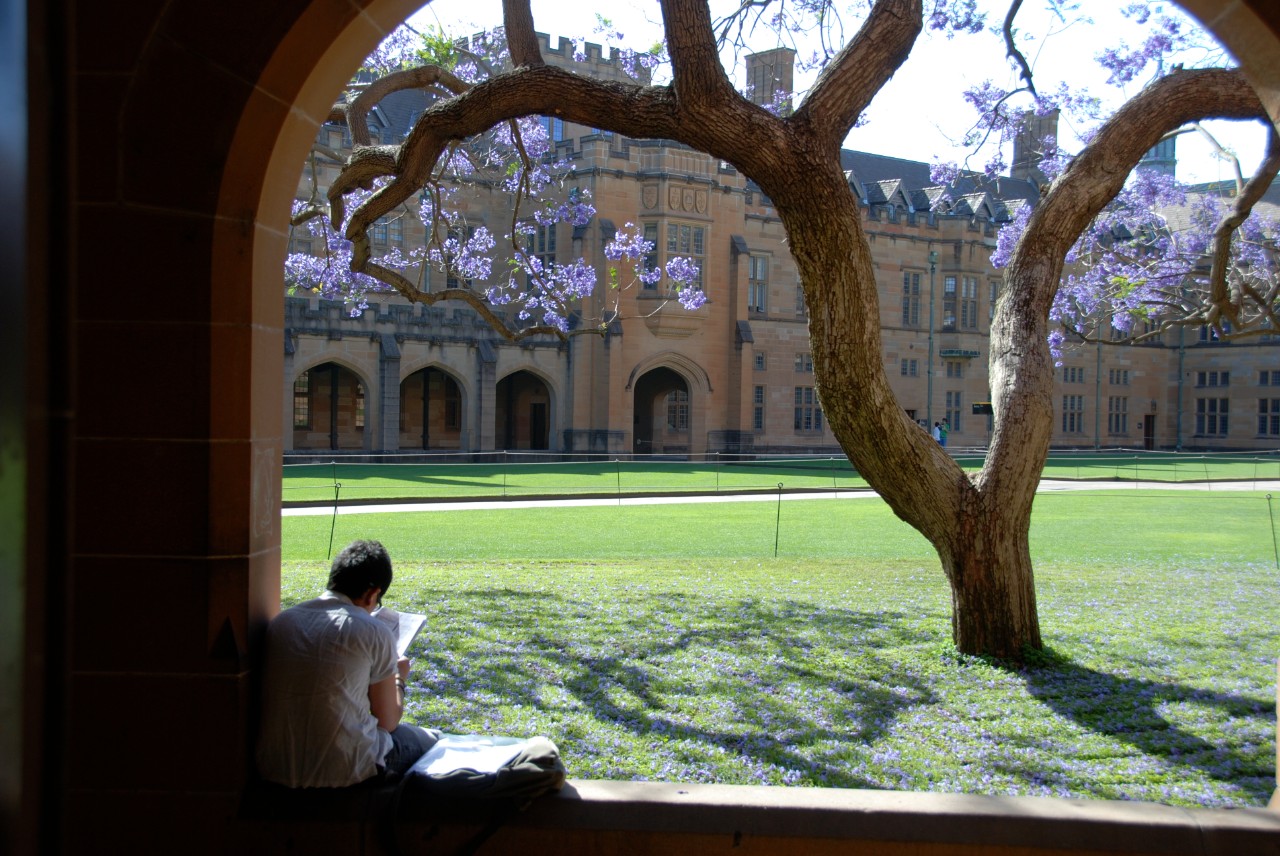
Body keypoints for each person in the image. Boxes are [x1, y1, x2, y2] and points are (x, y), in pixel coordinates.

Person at [257, 539, 438, 787]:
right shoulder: (372, 631)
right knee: (429, 740)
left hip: (276, 766)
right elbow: (387, 722)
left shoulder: (282, 622)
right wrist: (399, 678)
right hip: (348, 769)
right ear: (372, 594)